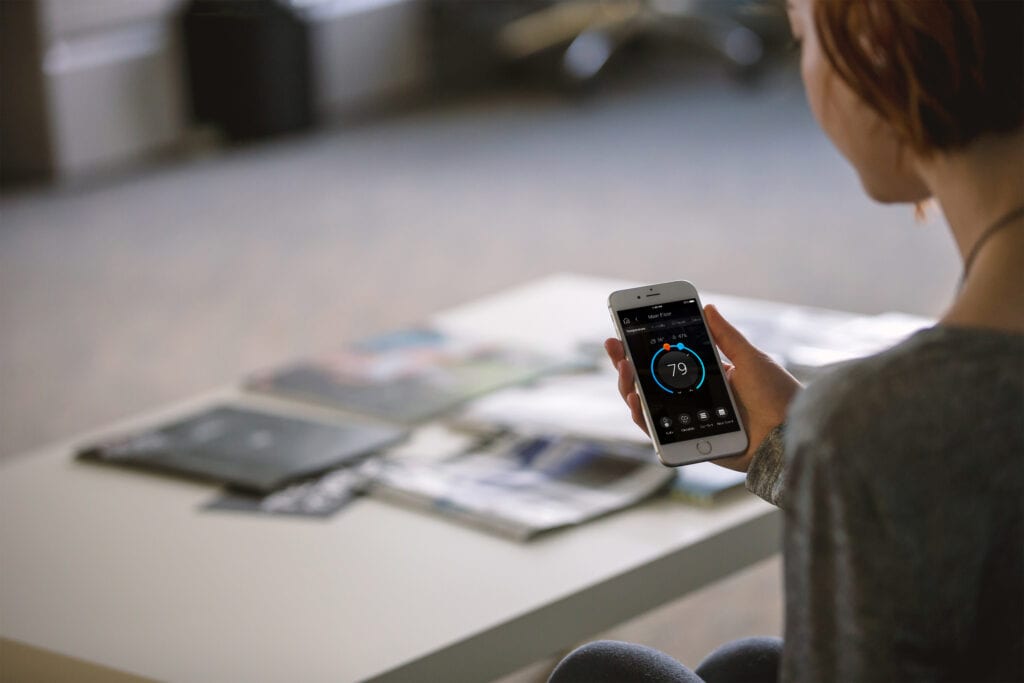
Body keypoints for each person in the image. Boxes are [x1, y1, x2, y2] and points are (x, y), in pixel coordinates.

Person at [549, 0, 1023, 681]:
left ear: (880, 54)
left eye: (802, 40)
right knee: (744, 666)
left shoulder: (884, 424)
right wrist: (786, 445)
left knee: (603, 674)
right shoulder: (896, 423)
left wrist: (845, 441)